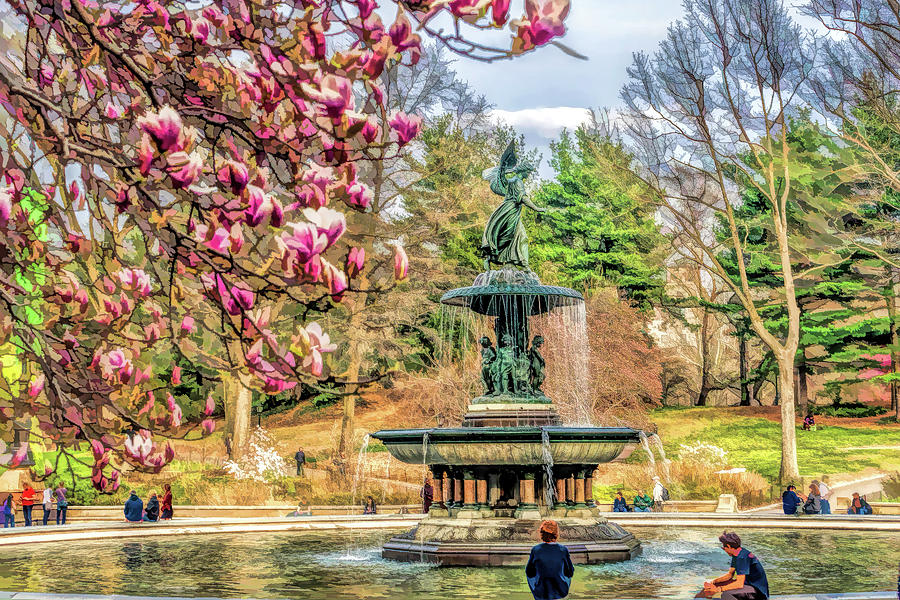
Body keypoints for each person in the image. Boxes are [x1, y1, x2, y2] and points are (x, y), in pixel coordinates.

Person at [698, 531, 769, 600]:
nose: (724, 550)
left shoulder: (742, 557)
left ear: (728, 546)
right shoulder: (737, 554)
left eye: (724, 548)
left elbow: (739, 584)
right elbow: (730, 575)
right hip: (748, 586)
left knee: (723, 594)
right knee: (714, 588)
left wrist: (719, 589)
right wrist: (714, 582)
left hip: (758, 591)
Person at [525, 520, 574, 600]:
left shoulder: (536, 550)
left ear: (542, 534)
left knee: (530, 574)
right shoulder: (563, 550)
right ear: (556, 533)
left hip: (541, 591)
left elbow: (529, 572)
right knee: (566, 574)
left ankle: (537, 593)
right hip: (560, 591)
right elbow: (570, 572)